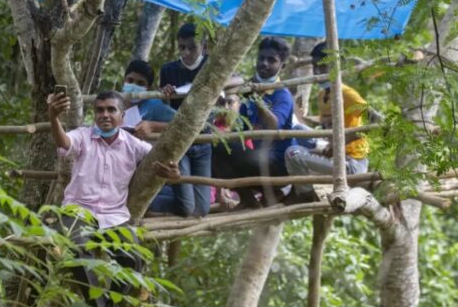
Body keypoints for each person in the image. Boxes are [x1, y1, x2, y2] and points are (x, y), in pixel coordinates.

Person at [47, 89, 179, 307]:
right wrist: (53, 117)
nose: (105, 115)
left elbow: (164, 162)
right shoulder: (82, 135)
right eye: (100, 110)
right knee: (77, 248)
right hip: (78, 211)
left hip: (114, 216)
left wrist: (174, 174)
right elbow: (64, 142)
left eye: (111, 109)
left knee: (135, 260)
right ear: (94, 114)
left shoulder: (134, 145)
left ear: (122, 116)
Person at [211, 37, 296, 207]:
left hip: (277, 166)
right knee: (215, 146)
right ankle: (250, 199)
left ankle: (271, 191)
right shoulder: (249, 89)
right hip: (256, 159)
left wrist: (257, 101)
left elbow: (274, 126)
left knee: (218, 147)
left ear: (282, 66)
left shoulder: (282, 95)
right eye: (261, 58)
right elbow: (238, 128)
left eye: (271, 60)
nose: (264, 63)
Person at [285, 42, 371, 199]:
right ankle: (296, 187)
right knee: (297, 129)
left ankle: (305, 195)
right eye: (315, 66)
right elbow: (327, 121)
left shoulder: (347, 94)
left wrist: (340, 143)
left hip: (352, 163)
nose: (318, 71)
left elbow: (372, 125)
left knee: (293, 154)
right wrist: (305, 118)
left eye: (323, 67)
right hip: (333, 152)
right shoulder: (322, 95)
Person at [121, 59, 195, 217]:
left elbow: (184, 124)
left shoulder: (153, 105)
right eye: (130, 80)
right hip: (121, 173)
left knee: (186, 207)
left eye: (140, 83)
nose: (134, 85)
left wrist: (153, 126)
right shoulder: (115, 104)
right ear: (124, 80)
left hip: (146, 172)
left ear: (147, 88)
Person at [157, 23, 213, 217]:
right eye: (182, 48)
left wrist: (213, 86)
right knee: (187, 208)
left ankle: (170, 192)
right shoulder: (169, 70)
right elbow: (163, 104)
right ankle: (154, 199)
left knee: (203, 210)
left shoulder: (212, 65)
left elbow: (237, 80)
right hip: (179, 139)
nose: (187, 52)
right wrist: (165, 94)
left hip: (203, 140)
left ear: (204, 46)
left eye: (192, 47)